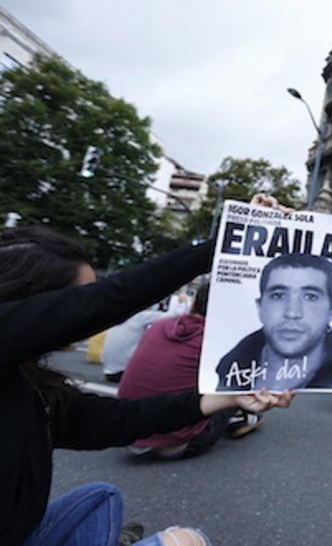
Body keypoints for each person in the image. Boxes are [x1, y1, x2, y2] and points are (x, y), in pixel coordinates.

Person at [0, 214, 294, 544]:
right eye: (79, 297)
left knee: (103, 496)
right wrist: (228, 243)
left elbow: (115, 418)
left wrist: (226, 398)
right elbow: (108, 300)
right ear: (40, 299)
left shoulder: (33, 387)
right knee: (188, 540)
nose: (87, 315)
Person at [118, 283, 263, 460]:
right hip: (175, 444)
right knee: (233, 385)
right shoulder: (221, 341)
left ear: (194, 304)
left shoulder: (160, 326)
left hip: (125, 430)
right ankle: (240, 418)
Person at [215, 253, 332, 392]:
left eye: (310, 297)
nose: (292, 313)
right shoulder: (222, 374)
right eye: (278, 295)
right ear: (260, 306)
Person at [100, 301, 184, 382]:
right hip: (124, 373)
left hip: (109, 371)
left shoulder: (123, 317)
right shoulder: (140, 316)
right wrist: (183, 302)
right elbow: (175, 315)